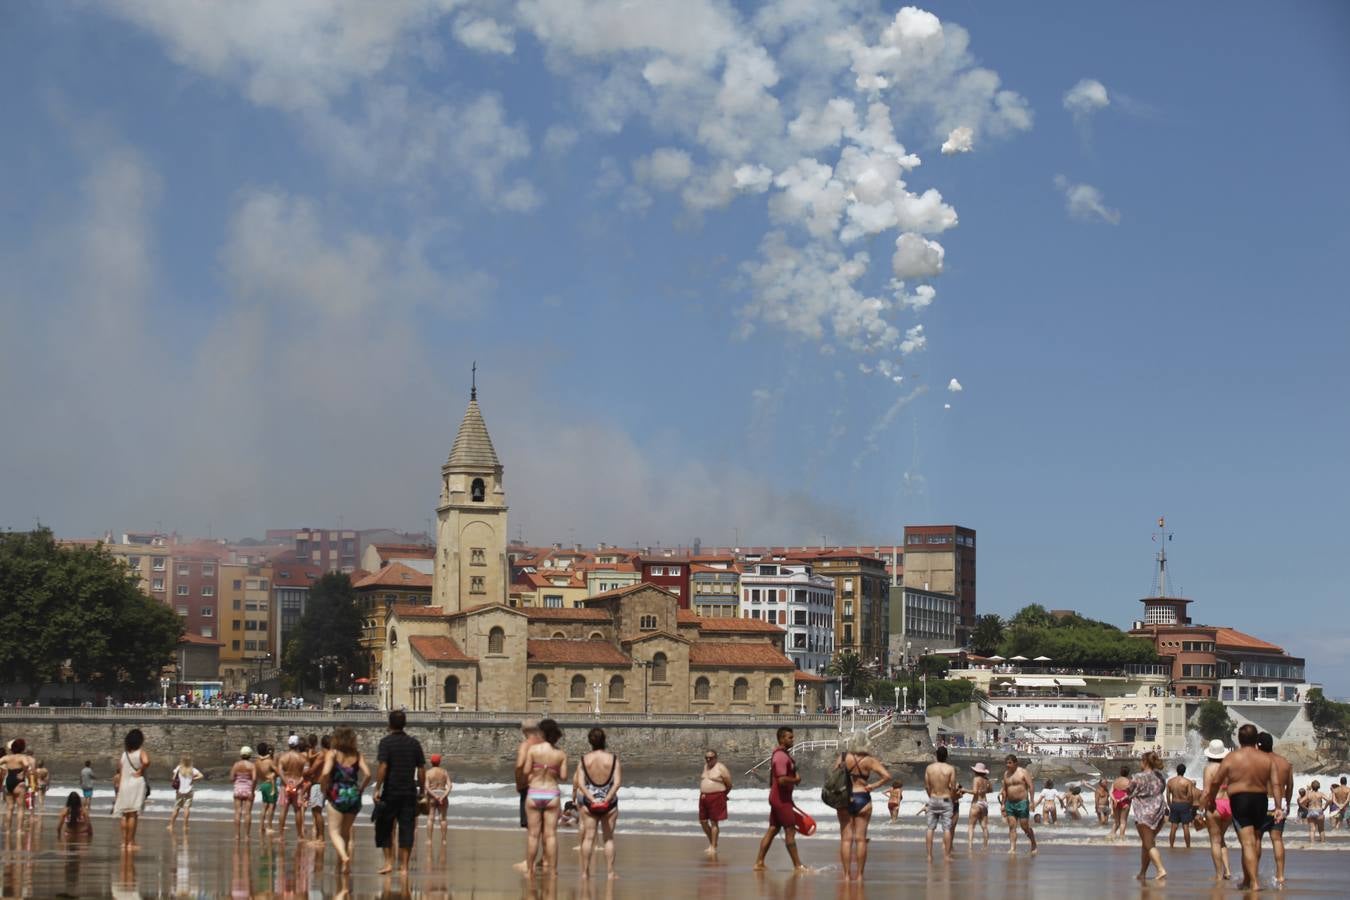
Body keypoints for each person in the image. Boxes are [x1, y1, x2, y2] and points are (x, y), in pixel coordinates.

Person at [1200, 724, 1286, 891]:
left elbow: (1216, 781)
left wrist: (1211, 800)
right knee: (1254, 841)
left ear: (1239, 739)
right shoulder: (1267, 759)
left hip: (1240, 800)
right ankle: (1247, 879)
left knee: (1247, 843)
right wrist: (1278, 807)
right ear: (1256, 739)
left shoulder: (1232, 758)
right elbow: (1276, 784)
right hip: (1260, 800)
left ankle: (1253, 882)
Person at [373, 709, 428, 876]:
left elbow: (383, 766)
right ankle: (404, 866)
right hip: (408, 792)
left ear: (389, 724)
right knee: (407, 828)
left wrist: (377, 788)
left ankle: (389, 863)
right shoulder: (414, 743)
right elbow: (421, 769)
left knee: (384, 826)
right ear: (404, 724)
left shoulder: (386, 743)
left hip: (390, 791)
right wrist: (422, 790)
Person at [835, 737, 892, 880]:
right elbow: (887, 776)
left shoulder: (843, 757)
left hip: (845, 798)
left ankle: (847, 875)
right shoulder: (869, 760)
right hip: (863, 797)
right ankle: (859, 876)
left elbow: (834, 775)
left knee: (846, 839)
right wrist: (873, 786)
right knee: (860, 839)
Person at [753, 726, 808, 873]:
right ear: (782, 738)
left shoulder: (783, 755)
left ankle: (759, 862)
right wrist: (796, 779)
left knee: (773, 829)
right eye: (790, 737)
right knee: (790, 830)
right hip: (780, 799)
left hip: (780, 798)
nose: (792, 739)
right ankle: (798, 866)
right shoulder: (781, 757)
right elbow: (782, 779)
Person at [516, 718, 566, 876]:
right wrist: (551, 769)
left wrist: (538, 770)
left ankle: (529, 871)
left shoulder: (533, 750)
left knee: (533, 834)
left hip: (534, 792)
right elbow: (563, 776)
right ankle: (553, 870)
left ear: (542, 733)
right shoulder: (560, 753)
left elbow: (525, 771)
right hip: (552, 793)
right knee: (551, 834)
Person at [320, 726, 370, 874]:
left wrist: (325, 788)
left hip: (337, 794)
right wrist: (360, 789)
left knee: (334, 832)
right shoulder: (357, 755)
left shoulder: (332, 754)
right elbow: (367, 774)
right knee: (345, 832)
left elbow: (325, 773)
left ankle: (344, 857)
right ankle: (341, 865)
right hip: (354, 795)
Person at [576, 727, 621, 880]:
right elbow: (617, 783)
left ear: (590, 742)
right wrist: (607, 798)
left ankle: (585, 872)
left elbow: (581, 784)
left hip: (590, 802)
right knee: (608, 838)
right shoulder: (613, 759)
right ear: (604, 740)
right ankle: (610, 873)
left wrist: (592, 798)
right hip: (609, 803)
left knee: (588, 838)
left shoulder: (584, 760)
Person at [1256, 731, 1292, 885]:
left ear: (1258, 745)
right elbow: (1289, 786)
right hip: (1280, 803)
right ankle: (1281, 875)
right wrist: (1287, 803)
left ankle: (1254, 874)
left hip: (1262, 802)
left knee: (1256, 838)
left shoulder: (1257, 761)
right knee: (1277, 839)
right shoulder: (1284, 762)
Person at [1126, 751, 1168, 881]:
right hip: (1160, 811)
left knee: (1149, 844)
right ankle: (1142, 873)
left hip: (1144, 813)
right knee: (1147, 843)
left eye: (1141, 761)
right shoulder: (1161, 776)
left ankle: (1160, 869)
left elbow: (1129, 790)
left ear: (1145, 762)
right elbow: (1161, 790)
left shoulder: (1137, 777)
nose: (1140, 763)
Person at [1200, 739, 1233, 881]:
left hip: (1215, 804)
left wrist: (1200, 810)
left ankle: (1219, 875)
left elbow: (1207, 791)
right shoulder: (1230, 767)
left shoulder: (1209, 768)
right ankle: (1228, 871)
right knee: (1221, 839)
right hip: (1230, 804)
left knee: (1215, 841)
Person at [112, 728, 149, 849]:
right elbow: (146, 761)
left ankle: (124, 841)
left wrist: (118, 788)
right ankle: (131, 842)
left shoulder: (124, 754)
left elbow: (120, 770)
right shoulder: (140, 752)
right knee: (133, 814)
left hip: (124, 784)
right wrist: (140, 770)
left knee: (124, 814)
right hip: (136, 784)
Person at [923, 745, 957, 863]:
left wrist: (930, 796)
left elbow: (927, 786)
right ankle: (947, 856)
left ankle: (929, 856)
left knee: (930, 828)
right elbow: (953, 787)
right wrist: (951, 798)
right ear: (947, 756)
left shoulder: (929, 768)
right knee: (947, 828)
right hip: (946, 798)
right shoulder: (950, 769)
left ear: (936, 755)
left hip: (933, 798)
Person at [999, 754, 1037, 856]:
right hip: (1010, 804)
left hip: (1022, 803)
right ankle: (1012, 848)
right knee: (1012, 826)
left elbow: (1031, 786)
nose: (1007, 765)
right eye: (1006, 763)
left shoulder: (1023, 772)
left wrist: (1032, 801)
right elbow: (1004, 791)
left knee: (1024, 827)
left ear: (1016, 763)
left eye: (1010, 763)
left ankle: (1033, 842)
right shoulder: (1006, 774)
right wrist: (1002, 804)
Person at [698, 748, 732, 855]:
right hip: (704, 797)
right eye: (706, 758)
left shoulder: (721, 768)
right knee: (703, 822)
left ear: (715, 758)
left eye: (711, 758)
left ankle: (713, 846)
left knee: (714, 822)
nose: (708, 760)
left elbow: (729, 784)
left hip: (717, 796)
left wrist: (723, 795)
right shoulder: (705, 767)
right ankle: (713, 842)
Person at [276, 735, 308, 842]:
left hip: (285, 785)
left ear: (289, 744)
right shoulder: (302, 758)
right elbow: (306, 774)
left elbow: (280, 772)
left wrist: (287, 783)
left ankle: (281, 836)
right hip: (297, 785)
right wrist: (296, 784)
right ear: (298, 745)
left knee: (283, 810)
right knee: (298, 811)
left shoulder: (283, 757)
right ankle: (299, 836)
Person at [514, 719, 543, 837]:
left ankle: (530, 856)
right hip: (546, 787)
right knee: (546, 829)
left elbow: (520, 765)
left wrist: (519, 782)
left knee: (531, 829)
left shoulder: (525, 745)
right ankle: (547, 855)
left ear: (523, 730)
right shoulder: (544, 743)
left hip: (529, 787)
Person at [167, 754, 204, 832]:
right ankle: (185, 826)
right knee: (186, 808)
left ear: (182, 761)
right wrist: (193, 779)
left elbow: (173, 778)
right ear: (190, 761)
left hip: (179, 791)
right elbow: (201, 776)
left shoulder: (178, 768)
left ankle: (171, 825)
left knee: (176, 808)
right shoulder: (193, 769)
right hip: (189, 791)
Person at [305, 734, 330, 844]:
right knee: (318, 811)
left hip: (318, 784)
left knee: (317, 811)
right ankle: (320, 837)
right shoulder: (331, 754)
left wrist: (301, 773)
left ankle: (320, 838)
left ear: (322, 744)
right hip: (326, 785)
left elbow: (312, 770)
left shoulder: (323, 754)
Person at [1, 739, 30, 829]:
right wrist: (23, 773)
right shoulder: (22, 757)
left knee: (9, 807)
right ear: (22, 748)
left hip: (9, 780)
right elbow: (27, 765)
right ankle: (19, 830)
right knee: (20, 808)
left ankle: (8, 829)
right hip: (19, 782)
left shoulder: (7, 758)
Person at [1166, 763, 1197, 849]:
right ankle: (1188, 846)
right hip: (1184, 805)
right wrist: (1190, 806)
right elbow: (1190, 795)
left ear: (1177, 770)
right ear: (1184, 771)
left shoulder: (1170, 781)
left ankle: (1171, 846)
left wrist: (1169, 805)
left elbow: (1168, 795)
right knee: (1185, 826)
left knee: (1173, 827)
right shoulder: (1187, 782)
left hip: (1174, 804)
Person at [230, 746, 258, 838]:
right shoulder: (252, 766)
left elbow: (231, 778)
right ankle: (247, 835)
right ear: (250, 755)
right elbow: (254, 779)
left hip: (238, 789)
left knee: (237, 812)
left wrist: (237, 782)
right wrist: (253, 790)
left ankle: (237, 835)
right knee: (247, 813)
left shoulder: (236, 765)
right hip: (248, 790)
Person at [425, 754, 452, 840]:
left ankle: (429, 839)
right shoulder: (444, 772)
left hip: (432, 796)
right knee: (443, 819)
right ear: (439, 762)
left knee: (430, 818)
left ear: (431, 762)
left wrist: (435, 796)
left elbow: (427, 787)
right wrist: (443, 796)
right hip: (442, 795)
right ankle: (444, 839)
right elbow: (450, 786)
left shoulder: (428, 772)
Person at [254, 742, 278, 836]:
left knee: (264, 806)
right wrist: (274, 775)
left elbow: (256, 775)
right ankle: (269, 826)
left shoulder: (256, 762)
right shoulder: (269, 761)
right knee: (271, 806)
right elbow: (278, 772)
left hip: (262, 784)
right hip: (269, 784)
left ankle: (261, 827)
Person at [967, 764, 991, 847]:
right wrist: (984, 790)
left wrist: (964, 790)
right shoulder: (986, 780)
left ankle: (970, 846)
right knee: (984, 826)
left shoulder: (976, 779)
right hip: (984, 803)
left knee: (971, 826)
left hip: (976, 803)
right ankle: (985, 846)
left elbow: (975, 792)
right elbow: (990, 790)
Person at [1109, 766, 1131, 840]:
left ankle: (1111, 836)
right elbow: (1129, 794)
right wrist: (1121, 799)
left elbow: (1110, 792)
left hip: (1115, 802)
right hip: (1124, 802)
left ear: (1120, 772)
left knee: (1116, 822)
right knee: (1123, 822)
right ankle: (1121, 838)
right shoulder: (1128, 781)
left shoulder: (1115, 781)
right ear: (1128, 773)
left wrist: (1115, 799)